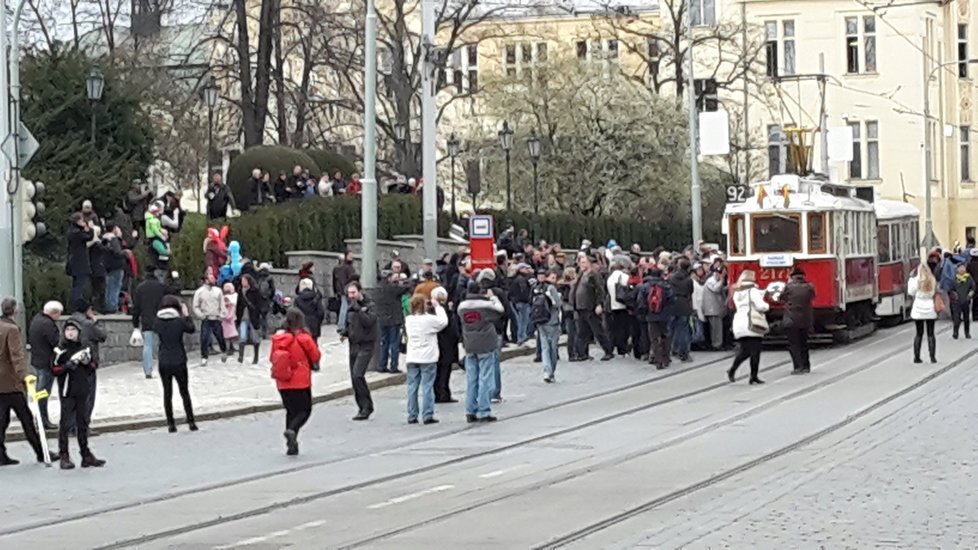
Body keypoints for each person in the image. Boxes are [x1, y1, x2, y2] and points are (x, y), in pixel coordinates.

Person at [0, 298, 55, 466]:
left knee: (2, 419)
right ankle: (41, 451)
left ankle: (1, 454)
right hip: (11, 382)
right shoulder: (12, 329)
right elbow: (17, 356)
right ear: (15, 311)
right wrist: (24, 377)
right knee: (26, 418)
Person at [52, 319, 105, 470]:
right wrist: (66, 367)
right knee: (65, 423)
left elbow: (93, 366)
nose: (70, 332)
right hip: (67, 390)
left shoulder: (85, 347)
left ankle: (85, 454)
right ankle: (64, 455)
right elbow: (54, 369)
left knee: (82, 423)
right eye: (68, 330)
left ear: (78, 333)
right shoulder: (60, 349)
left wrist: (87, 363)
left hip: (82, 389)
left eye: (73, 330)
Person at [270, 308, 321, 455]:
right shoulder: (303, 338)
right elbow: (315, 355)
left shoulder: (278, 339)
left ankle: (291, 444)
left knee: (290, 411)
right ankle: (292, 431)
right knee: (305, 410)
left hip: (282, 381)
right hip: (300, 381)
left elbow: (272, 357)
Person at [458, 280, 505, 423]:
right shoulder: (485, 305)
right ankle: (484, 410)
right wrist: (493, 297)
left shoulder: (462, 307)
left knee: (471, 378)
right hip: (486, 343)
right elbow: (500, 310)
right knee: (485, 377)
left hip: (470, 344)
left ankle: (470, 410)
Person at [154, 296, 198, 433]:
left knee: (167, 393)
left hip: (164, 360)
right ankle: (191, 422)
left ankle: (171, 424)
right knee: (184, 391)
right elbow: (191, 329)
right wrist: (186, 315)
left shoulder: (158, 322)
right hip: (179, 359)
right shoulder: (179, 321)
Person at [404, 294, 448, 424]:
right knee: (427, 386)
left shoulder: (409, 320)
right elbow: (443, 322)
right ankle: (427, 414)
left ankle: (412, 414)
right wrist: (438, 307)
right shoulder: (429, 320)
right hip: (428, 357)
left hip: (412, 357)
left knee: (412, 387)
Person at [728, 270, 769, 385]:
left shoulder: (737, 292)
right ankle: (753, 376)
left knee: (745, 350)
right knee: (755, 350)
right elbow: (761, 306)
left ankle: (733, 369)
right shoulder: (753, 291)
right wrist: (767, 305)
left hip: (739, 322)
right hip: (752, 322)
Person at [343, 282, 377, 421]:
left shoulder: (370, 305)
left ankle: (367, 406)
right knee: (353, 378)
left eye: (353, 293)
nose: (351, 296)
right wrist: (345, 332)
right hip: (353, 345)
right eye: (349, 293)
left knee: (358, 374)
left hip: (366, 345)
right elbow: (350, 323)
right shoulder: (350, 307)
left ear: (360, 291)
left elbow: (369, 322)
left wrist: (358, 310)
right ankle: (362, 407)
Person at [571, 255, 614, 361]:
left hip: (590, 307)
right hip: (580, 308)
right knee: (582, 332)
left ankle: (608, 351)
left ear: (589, 263)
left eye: (584, 262)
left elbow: (600, 291)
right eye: (581, 262)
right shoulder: (581, 275)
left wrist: (599, 304)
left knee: (598, 331)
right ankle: (582, 353)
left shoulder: (594, 275)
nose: (582, 264)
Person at [29, 301, 63, 430]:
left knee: (40, 392)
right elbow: (55, 342)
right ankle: (42, 420)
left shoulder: (37, 320)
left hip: (37, 360)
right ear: (54, 312)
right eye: (58, 314)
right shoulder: (48, 325)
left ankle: (41, 419)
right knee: (43, 393)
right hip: (46, 363)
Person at [780, 267, 815, 374]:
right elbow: (812, 297)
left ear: (792, 277)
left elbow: (781, 298)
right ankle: (806, 365)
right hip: (805, 319)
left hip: (792, 319)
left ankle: (798, 367)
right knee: (804, 343)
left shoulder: (789, 287)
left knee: (794, 344)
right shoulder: (809, 287)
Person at [132, 271, 167, 378]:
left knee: (147, 345)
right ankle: (164, 367)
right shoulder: (161, 287)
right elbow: (175, 291)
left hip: (147, 320)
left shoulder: (140, 288)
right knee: (163, 345)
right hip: (161, 319)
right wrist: (175, 278)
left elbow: (136, 307)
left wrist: (135, 324)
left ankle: (148, 370)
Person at [375, 270, 410, 374]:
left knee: (384, 342)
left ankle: (382, 365)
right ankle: (394, 366)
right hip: (393, 319)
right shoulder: (392, 288)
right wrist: (404, 281)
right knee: (394, 343)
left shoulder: (377, 288)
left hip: (382, 319)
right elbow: (406, 288)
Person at [640, 268, 674, 369]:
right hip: (664, 315)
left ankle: (658, 360)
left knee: (654, 338)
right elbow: (672, 299)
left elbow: (641, 302)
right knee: (666, 336)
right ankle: (666, 358)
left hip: (651, 316)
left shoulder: (645, 286)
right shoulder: (666, 286)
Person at [193, 271, 228, 366]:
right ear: (206, 280)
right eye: (212, 278)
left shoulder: (218, 291)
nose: (214, 280)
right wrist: (201, 316)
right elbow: (195, 306)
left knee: (220, 337)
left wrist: (222, 315)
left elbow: (222, 304)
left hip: (216, 317)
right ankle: (204, 357)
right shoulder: (199, 292)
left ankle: (224, 350)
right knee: (204, 338)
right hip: (206, 318)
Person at [432, 286, 459, 403]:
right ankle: (443, 394)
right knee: (444, 372)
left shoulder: (431, 312)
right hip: (446, 346)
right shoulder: (446, 313)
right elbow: (453, 330)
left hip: (436, 346)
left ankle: (438, 393)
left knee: (437, 371)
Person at [536, 269, 562, 383]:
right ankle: (551, 371)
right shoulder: (551, 288)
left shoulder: (535, 288)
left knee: (545, 347)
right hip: (552, 321)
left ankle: (547, 371)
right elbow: (558, 304)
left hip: (540, 321)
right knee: (553, 347)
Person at [909, 263, 939, 363]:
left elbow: (911, 292)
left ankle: (916, 357)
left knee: (919, 333)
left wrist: (911, 279)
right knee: (931, 333)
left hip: (918, 308)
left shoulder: (916, 280)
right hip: (930, 307)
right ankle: (932, 357)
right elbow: (934, 292)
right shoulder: (932, 280)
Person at [294, 278, 325, 371]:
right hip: (314, 323)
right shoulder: (316, 297)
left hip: (302, 324)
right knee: (314, 344)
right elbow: (321, 312)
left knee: (302, 345)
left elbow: (295, 312)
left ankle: (305, 363)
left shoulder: (298, 299)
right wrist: (318, 322)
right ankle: (315, 363)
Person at [668, 258, 694, 362]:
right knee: (683, 329)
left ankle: (672, 349)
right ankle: (683, 353)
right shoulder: (688, 280)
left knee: (671, 328)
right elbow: (690, 291)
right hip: (684, 304)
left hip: (673, 303)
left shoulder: (672, 278)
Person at [66, 212, 94, 306]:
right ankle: (75, 305)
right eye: (82, 220)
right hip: (80, 263)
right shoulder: (78, 233)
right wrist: (90, 229)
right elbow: (89, 237)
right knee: (79, 286)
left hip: (73, 262)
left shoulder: (71, 232)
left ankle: (74, 304)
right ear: (77, 221)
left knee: (76, 285)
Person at [236, 274, 265, 364]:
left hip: (253, 316)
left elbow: (259, 304)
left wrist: (257, 312)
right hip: (243, 317)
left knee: (255, 337)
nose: (242, 282)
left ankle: (256, 357)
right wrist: (237, 316)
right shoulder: (240, 291)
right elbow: (238, 305)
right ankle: (241, 356)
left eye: (244, 281)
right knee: (242, 336)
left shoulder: (255, 291)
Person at [606, 259, 632, 356]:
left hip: (613, 306)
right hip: (623, 305)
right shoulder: (624, 277)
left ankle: (616, 346)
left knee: (615, 328)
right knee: (624, 329)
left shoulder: (610, 278)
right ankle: (622, 348)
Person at [101, 224, 126, 313]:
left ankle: (108, 306)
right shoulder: (114, 239)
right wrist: (125, 252)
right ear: (114, 229)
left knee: (109, 287)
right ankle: (113, 307)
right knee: (115, 286)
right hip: (116, 265)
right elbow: (117, 252)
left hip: (107, 266)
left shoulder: (103, 239)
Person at [702, 265, 728, 351]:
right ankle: (717, 345)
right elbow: (716, 289)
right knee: (716, 329)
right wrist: (721, 280)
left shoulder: (715, 281)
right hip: (712, 309)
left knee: (717, 328)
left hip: (716, 309)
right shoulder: (710, 281)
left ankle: (717, 344)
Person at [333, 250, 357, 334]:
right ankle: (342, 325)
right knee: (345, 307)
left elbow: (335, 281)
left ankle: (342, 324)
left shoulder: (337, 268)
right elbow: (350, 279)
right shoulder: (349, 268)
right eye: (350, 255)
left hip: (342, 290)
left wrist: (336, 291)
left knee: (344, 307)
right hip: (347, 289)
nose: (352, 257)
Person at [950, 261, 975, 339]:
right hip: (956, 302)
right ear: (957, 269)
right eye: (960, 268)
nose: (961, 270)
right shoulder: (954, 278)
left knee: (966, 318)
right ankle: (955, 332)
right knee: (957, 318)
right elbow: (951, 289)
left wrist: (969, 295)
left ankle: (967, 333)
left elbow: (973, 288)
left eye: (963, 268)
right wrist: (955, 295)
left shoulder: (969, 277)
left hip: (966, 301)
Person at [222, 282, 239, 354]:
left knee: (231, 335)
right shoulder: (225, 298)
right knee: (227, 335)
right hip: (227, 319)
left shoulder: (231, 297)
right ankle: (228, 348)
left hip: (231, 318)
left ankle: (231, 347)